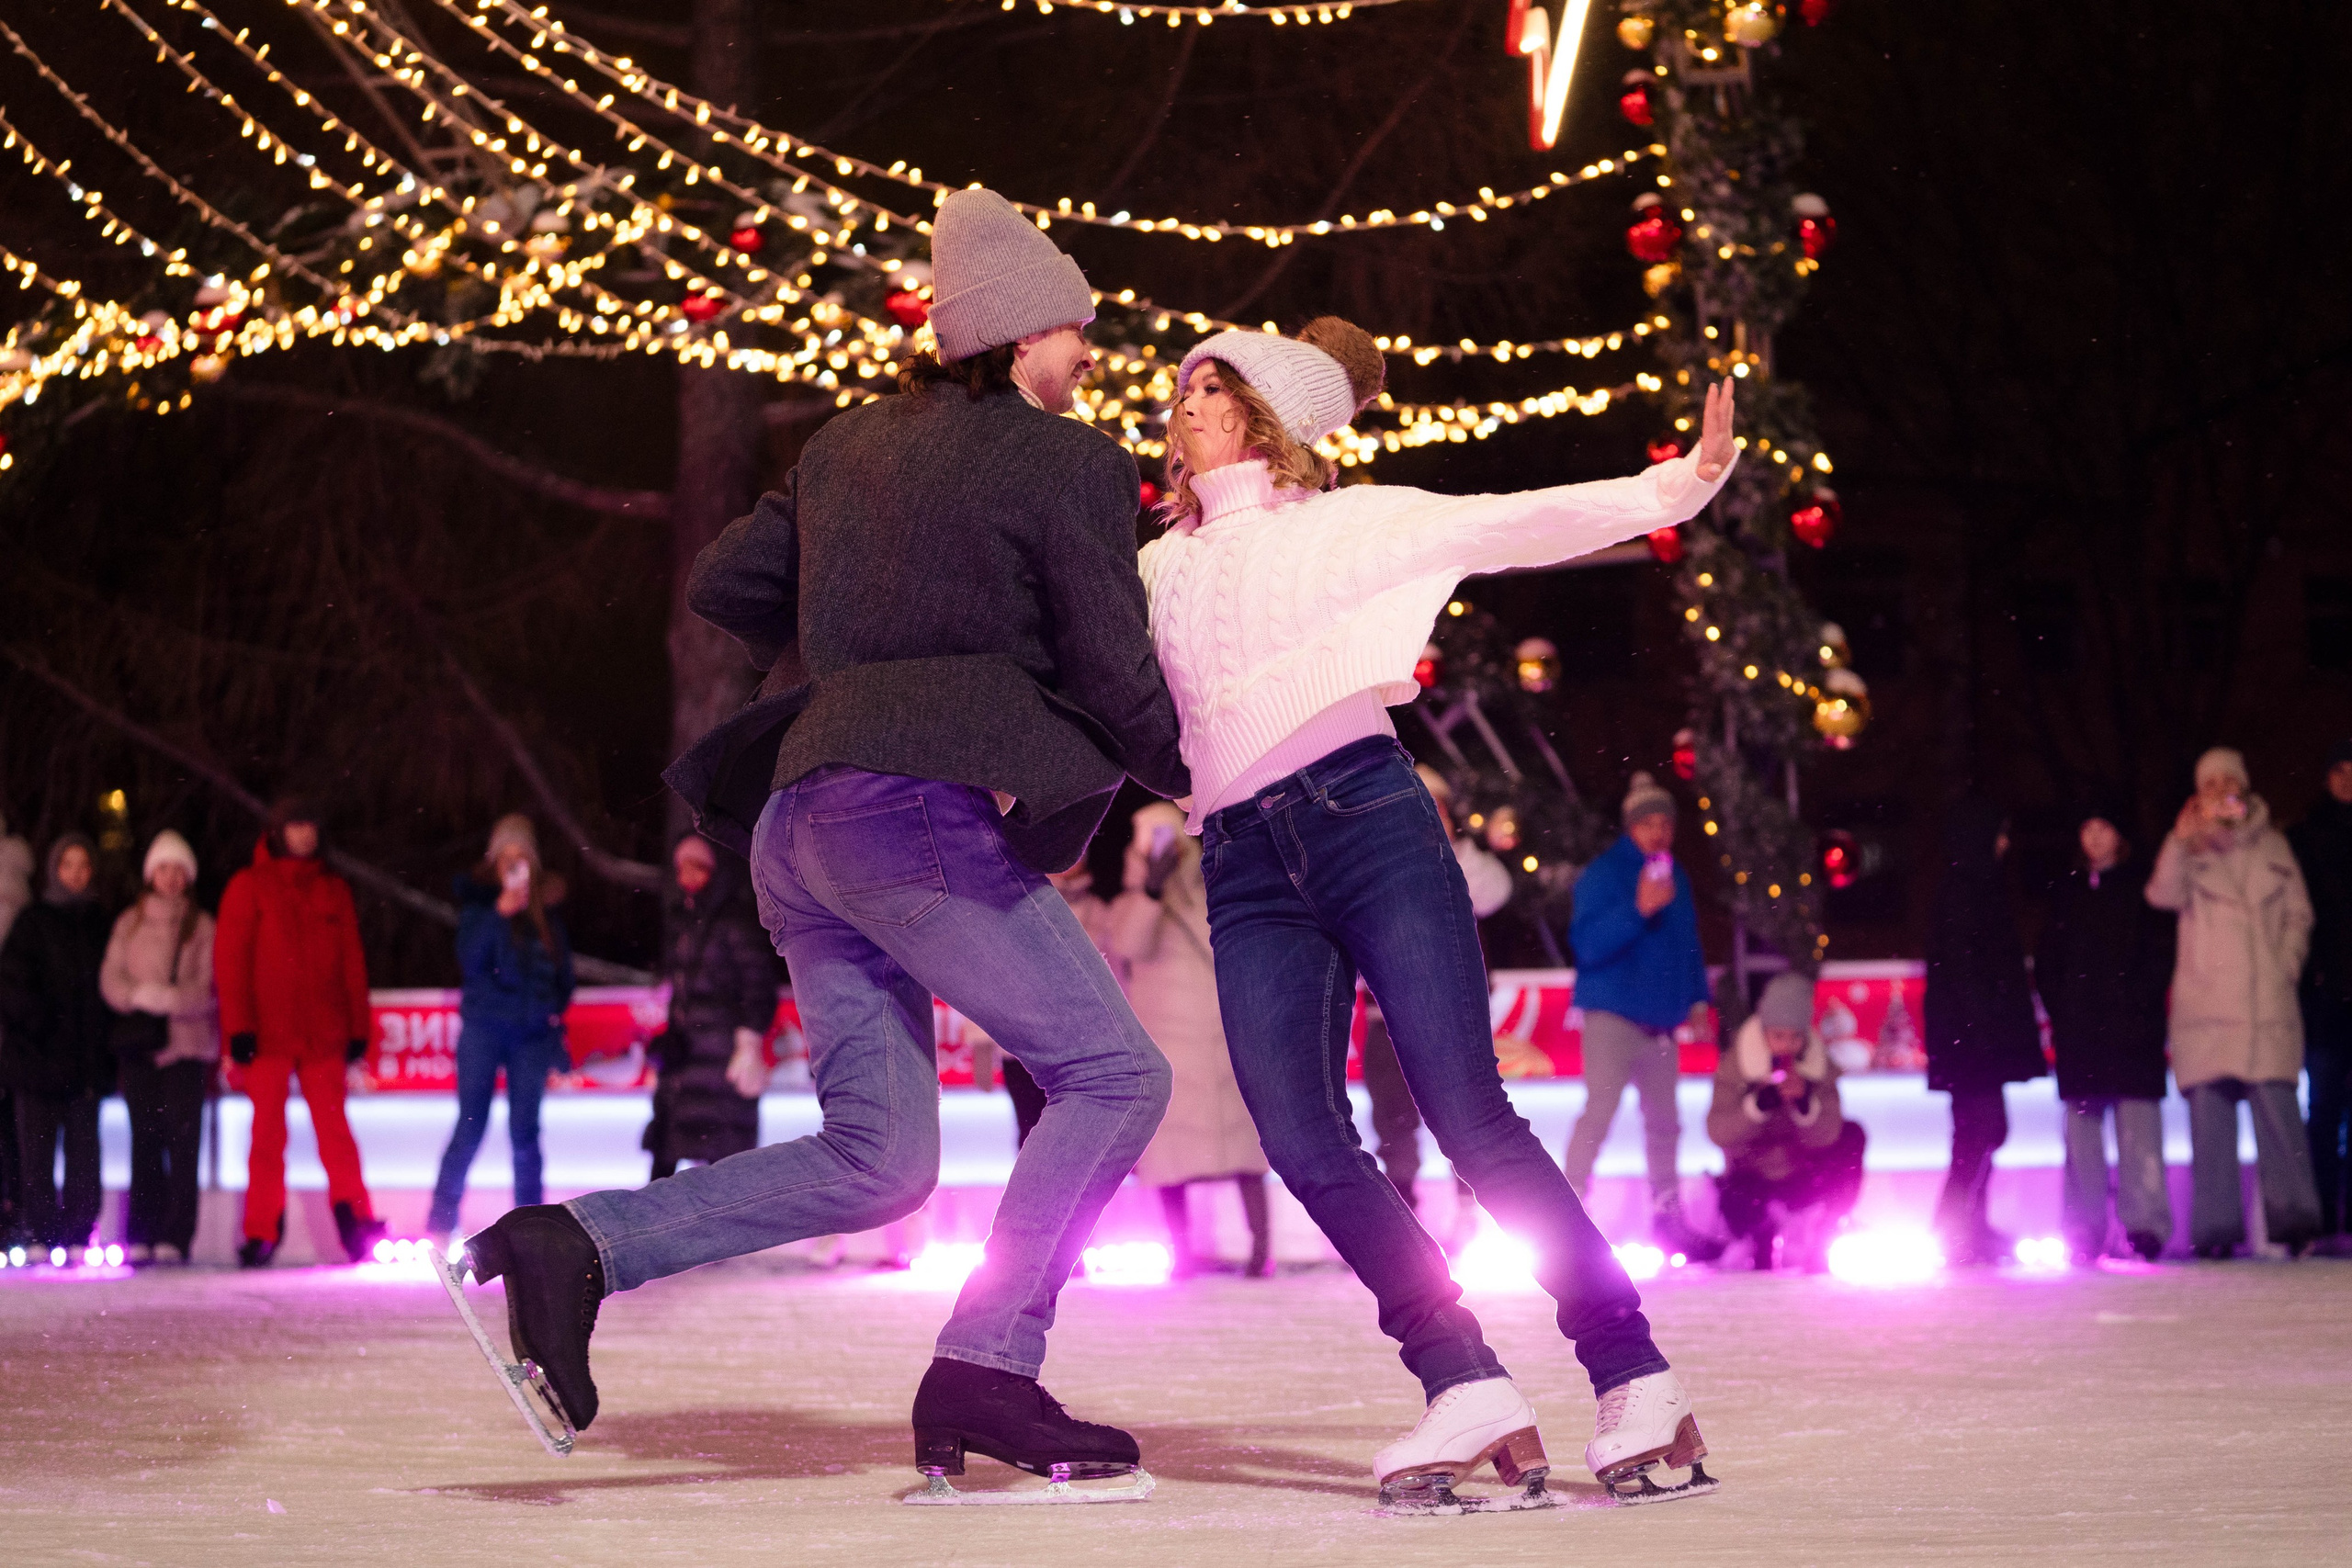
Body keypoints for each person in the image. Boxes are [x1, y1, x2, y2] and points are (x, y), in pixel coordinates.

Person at [451, 188, 1188, 1487]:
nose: (1089, 355)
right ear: (1020, 341)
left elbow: (726, 581)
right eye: (1077, 331)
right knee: (1116, 1074)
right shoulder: (1069, 464)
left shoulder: (849, 444)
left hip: (796, 822)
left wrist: (867, 616)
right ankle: (990, 1364)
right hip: (905, 812)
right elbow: (1115, 673)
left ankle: (573, 1242)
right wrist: (1206, 778)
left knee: (883, 1156)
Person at [1138, 321, 1736, 1505]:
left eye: (1213, 381)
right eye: (1181, 386)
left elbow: (1510, 519)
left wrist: (1678, 484)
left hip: (1369, 817)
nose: (1187, 397)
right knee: (1301, 1135)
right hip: (1245, 860)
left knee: (1469, 1113)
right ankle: (1459, 1374)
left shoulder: (1348, 524)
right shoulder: (1156, 565)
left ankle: (1634, 1373)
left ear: (1261, 411)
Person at [2146, 748, 2320, 1257]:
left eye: (2229, 779)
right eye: (2210, 780)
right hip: (2208, 1005)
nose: (2221, 787)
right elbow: (2161, 895)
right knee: (2211, 1127)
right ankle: (2215, 1231)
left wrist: (2284, 964)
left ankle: (2296, 1223)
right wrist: (2180, 840)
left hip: (2266, 1003)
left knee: (2280, 1120)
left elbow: (2299, 915)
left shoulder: (2275, 845)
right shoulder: (2188, 847)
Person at [1108, 801, 1273, 1278]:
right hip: (1168, 1038)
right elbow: (1131, 944)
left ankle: (1262, 1248)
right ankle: (1180, 1252)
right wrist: (1152, 888)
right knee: (1171, 1153)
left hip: (1224, 1035)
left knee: (1246, 1147)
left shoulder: (1216, 891)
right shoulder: (1133, 903)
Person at [216, 800, 382, 1267]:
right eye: (296, 824)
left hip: (322, 1032)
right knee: (267, 1136)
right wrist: (239, 1029)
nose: (305, 833)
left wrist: (356, 1028)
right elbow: (232, 962)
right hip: (267, 1033)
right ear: (278, 831)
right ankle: (261, 1230)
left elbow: (352, 962)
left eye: (311, 824)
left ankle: (355, 1220)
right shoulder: (249, 886)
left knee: (336, 1133)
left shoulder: (333, 889)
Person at [1563, 771, 1720, 1261]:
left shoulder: (1676, 875)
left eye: (1665, 823)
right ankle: (1564, 1218)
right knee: (1600, 1114)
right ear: (1630, 825)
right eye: (1647, 822)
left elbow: (1687, 944)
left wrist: (1697, 999)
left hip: (1661, 1024)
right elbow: (1586, 947)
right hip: (1612, 1017)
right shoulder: (1604, 875)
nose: (1658, 831)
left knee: (1666, 1122)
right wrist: (1637, 911)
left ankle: (1667, 1215)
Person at [1356, 765, 1507, 1244]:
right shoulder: (1373, 864)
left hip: (1452, 1020)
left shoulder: (1458, 863)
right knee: (1394, 1122)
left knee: (1463, 1117)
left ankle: (1469, 1215)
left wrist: (1449, 848)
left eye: (1436, 808)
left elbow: (1495, 891)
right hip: (1387, 1019)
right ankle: (1405, 1224)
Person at [2033, 804, 2175, 1261]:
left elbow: (2158, 957)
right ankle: (2083, 1229)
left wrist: (2139, 1003)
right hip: (2082, 1032)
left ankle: (2145, 1227)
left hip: (2132, 1030)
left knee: (2140, 1137)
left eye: (2103, 827)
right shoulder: (2066, 892)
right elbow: (2049, 960)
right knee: (2082, 1139)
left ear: (2120, 835)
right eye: (2087, 827)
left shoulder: (2144, 891)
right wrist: (2065, 1010)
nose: (2094, 838)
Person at [426, 817, 577, 1242]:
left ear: (533, 862)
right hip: (484, 1032)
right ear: (493, 863)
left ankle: (532, 1230)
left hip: (530, 1037)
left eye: (522, 857)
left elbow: (564, 977)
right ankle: (440, 1224)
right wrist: (498, 915)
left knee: (525, 1133)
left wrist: (549, 1014)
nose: (514, 866)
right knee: (470, 1125)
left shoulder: (547, 915)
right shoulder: (478, 908)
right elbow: (470, 961)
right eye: (506, 858)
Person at [1922, 797, 2045, 1265]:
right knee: (1979, 1132)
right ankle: (1954, 1228)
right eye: (1999, 832)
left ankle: (1966, 1225)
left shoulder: (1974, 889)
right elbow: (1969, 972)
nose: (2005, 843)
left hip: (1971, 1041)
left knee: (1983, 1131)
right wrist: (1985, 1030)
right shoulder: (1967, 892)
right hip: (1971, 1042)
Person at [98, 830, 219, 1265]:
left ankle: (176, 1235)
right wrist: (136, 995)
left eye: (178, 870)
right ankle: (141, 1233)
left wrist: (174, 998)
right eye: (162, 869)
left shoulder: (202, 926)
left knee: (183, 1143)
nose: (170, 878)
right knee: (144, 1139)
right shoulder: (129, 923)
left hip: (186, 1048)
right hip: (141, 1048)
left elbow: (210, 987)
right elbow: (110, 977)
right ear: (151, 874)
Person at [0, 834, 113, 1253]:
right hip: (37, 1059)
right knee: (37, 1156)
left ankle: (80, 1233)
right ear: (55, 869)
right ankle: (40, 1233)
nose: (77, 874)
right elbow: (11, 984)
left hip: (84, 1062)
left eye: (84, 865)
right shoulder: (33, 922)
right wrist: (42, 1022)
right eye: (69, 865)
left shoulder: (101, 922)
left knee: (85, 1156)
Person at [1707, 972, 1864, 1271]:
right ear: (1764, 1032)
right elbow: (1717, 1132)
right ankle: (1758, 1237)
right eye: (1778, 1036)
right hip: (1753, 1179)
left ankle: (1824, 1233)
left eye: (1795, 1037)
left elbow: (1830, 1132)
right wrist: (1755, 1107)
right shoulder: (1736, 1065)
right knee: (1736, 1191)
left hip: (1801, 1173)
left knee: (1852, 1136)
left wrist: (1806, 1106)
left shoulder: (1820, 1066)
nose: (1786, 1046)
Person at [642, 831, 775, 1182]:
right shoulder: (684, 921)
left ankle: (722, 1232)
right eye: (680, 866)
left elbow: (759, 982)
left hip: (721, 1059)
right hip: (687, 1062)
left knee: (722, 1162)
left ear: (714, 869)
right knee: (672, 1155)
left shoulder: (734, 920)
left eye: (696, 865)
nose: (687, 875)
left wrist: (748, 1041)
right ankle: (657, 1231)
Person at [2289, 739, 2352, 1247]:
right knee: (2324, 1109)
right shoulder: (2304, 839)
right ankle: (2324, 1214)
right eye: (2340, 770)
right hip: (2326, 995)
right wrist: (2309, 976)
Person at [0, 809, 34, 1247]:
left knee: (14, 1133)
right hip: (17, 1036)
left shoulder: (23, 917)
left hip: (15, 1040)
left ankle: (16, 1218)